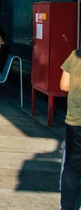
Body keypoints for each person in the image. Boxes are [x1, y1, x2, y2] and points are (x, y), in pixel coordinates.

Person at [59, 49, 81, 210]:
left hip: (76, 120)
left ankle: (67, 207)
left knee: (72, 166)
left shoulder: (75, 55)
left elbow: (64, 85)